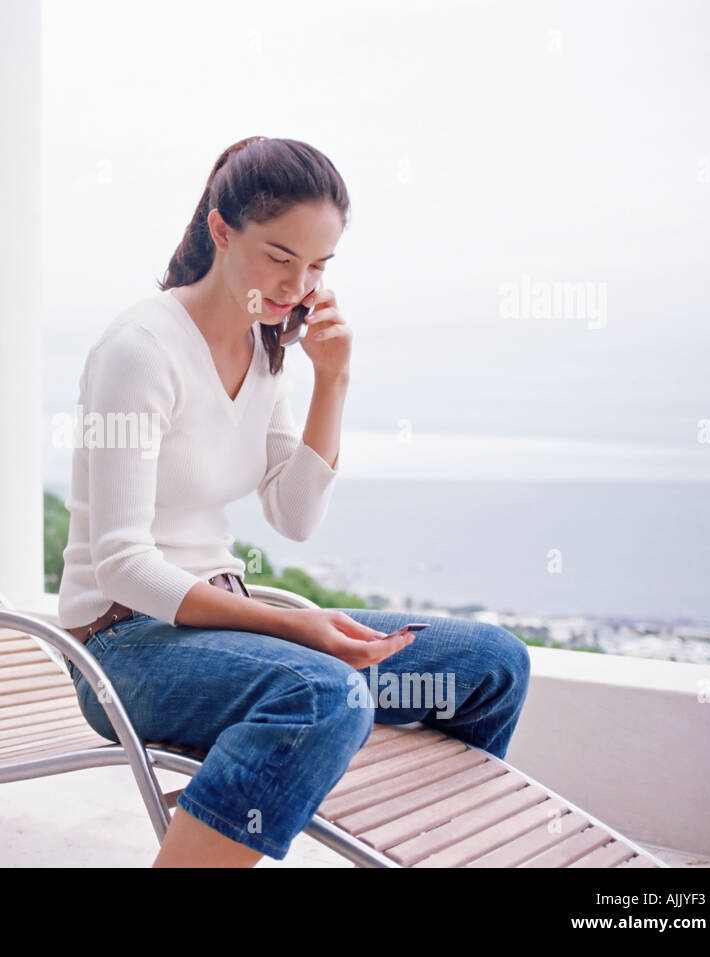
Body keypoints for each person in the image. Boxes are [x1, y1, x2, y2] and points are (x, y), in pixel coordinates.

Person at [56, 135, 531, 867]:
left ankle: (419, 841)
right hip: (123, 647)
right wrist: (296, 628)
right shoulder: (140, 349)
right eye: (280, 257)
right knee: (327, 694)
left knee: (491, 662)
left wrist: (332, 380)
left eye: (318, 265)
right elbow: (122, 566)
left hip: (227, 621)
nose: (297, 284)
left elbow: (294, 517)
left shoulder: (267, 347)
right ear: (221, 229)